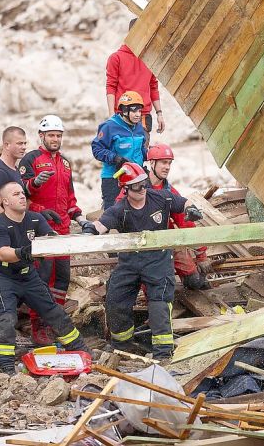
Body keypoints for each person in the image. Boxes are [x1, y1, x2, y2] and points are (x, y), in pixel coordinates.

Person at [82, 162, 203, 359]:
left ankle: (163, 353)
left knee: (159, 303)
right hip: (130, 262)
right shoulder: (120, 209)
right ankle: (122, 346)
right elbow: (101, 224)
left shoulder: (160, 198)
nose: (143, 189)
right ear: (126, 188)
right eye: (137, 186)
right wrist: (89, 230)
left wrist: (192, 209)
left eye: (144, 183)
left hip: (158, 260)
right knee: (116, 299)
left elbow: (183, 202)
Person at [0, 182, 88, 374]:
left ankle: (79, 348)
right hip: (2, 277)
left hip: (28, 275)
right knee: (6, 317)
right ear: (5, 201)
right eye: (16, 194)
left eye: (22, 193)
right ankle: (4, 364)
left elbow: (50, 236)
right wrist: (26, 252)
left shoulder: (35, 219)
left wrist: (53, 239)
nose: (22, 196)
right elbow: (3, 254)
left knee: (53, 311)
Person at [19, 115, 89, 345]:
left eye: (59, 135)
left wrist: (80, 217)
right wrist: (37, 193)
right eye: (51, 135)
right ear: (41, 136)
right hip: (40, 230)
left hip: (63, 230)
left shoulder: (66, 163)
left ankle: (55, 322)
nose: (55, 139)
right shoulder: (30, 159)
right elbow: (20, 195)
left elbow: (70, 198)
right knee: (41, 279)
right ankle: (37, 326)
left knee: (62, 278)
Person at [116, 144, 211, 290]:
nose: (167, 167)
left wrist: (201, 254)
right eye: (163, 162)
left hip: (166, 241)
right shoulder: (134, 185)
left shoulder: (169, 192)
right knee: (148, 286)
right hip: (140, 245)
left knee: (194, 281)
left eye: (169, 163)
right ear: (151, 163)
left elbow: (185, 222)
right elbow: (118, 213)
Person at [0, 127, 48, 260]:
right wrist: (19, 227)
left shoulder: (14, 170)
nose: (23, 147)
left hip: (11, 235)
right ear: (6, 145)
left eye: (25, 143)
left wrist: (37, 214)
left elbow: (17, 204)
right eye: (19, 143)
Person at [107, 19, 165, 135]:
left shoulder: (150, 59)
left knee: (141, 152)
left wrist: (159, 113)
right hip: (122, 116)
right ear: (130, 34)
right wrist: (111, 115)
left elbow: (153, 86)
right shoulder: (116, 58)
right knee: (122, 152)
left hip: (143, 117)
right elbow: (111, 87)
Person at [92, 91, 148, 210]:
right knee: (112, 213)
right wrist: (116, 158)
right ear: (124, 110)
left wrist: (150, 155)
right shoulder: (109, 126)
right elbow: (97, 149)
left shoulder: (139, 127)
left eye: (139, 110)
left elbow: (141, 150)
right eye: (134, 110)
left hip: (136, 177)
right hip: (114, 178)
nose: (138, 114)